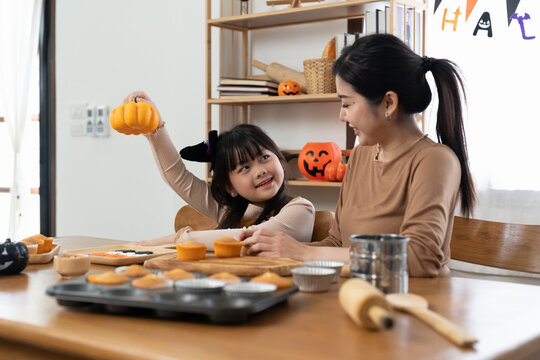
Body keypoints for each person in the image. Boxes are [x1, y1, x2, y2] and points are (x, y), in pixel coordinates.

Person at [238, 34, 476, 277]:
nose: (342, 115)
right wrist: (277, 250)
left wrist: (303, 253)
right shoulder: (361, 154)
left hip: (413, 303)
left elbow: (419, 258)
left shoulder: (434, 161)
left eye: (347, 104)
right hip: (353, 294)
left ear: (389, 103)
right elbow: (337, 244)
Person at [123, 91, 315, 249]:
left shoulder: (300, 210)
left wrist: (178, 239)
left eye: (265, 158)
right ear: (229, 186)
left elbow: (248, 238)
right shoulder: (228, 211)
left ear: (280, 159)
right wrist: (155, 127)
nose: (260, 171)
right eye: (244, 167)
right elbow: (177, 176)